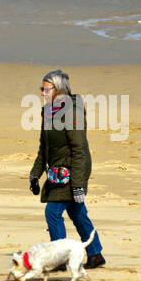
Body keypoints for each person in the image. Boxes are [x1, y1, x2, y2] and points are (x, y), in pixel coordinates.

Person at [29, 69, 105, 269]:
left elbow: (79, 150)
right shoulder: (47, 112)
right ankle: (95, 253)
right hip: (57, 172)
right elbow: (43, 147)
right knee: (77, 212)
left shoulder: (73, 111)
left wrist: (78, 184)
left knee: (52, 212)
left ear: (59, 89)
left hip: (73, 170)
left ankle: (59, 258)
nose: (43, 93)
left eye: (46, 89)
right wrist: (35, 173)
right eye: (42, 89)